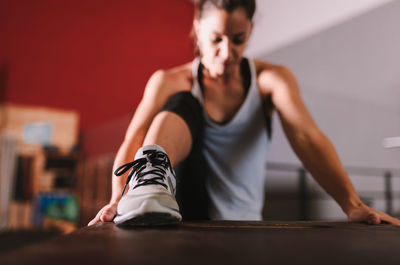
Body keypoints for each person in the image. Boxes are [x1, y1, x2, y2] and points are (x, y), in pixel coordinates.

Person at [88, 0, 400, 226]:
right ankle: (146, 192)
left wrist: (352, 204)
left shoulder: (269, 80)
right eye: (216, 40)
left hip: (243, 222)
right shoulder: (170, 81)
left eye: (238, 40)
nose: (226, 53)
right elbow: (135, 139)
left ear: (250, 30)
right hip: (181, 213)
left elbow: (306, 135)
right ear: (197, 29)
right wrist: (118, 200)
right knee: (182, 101)